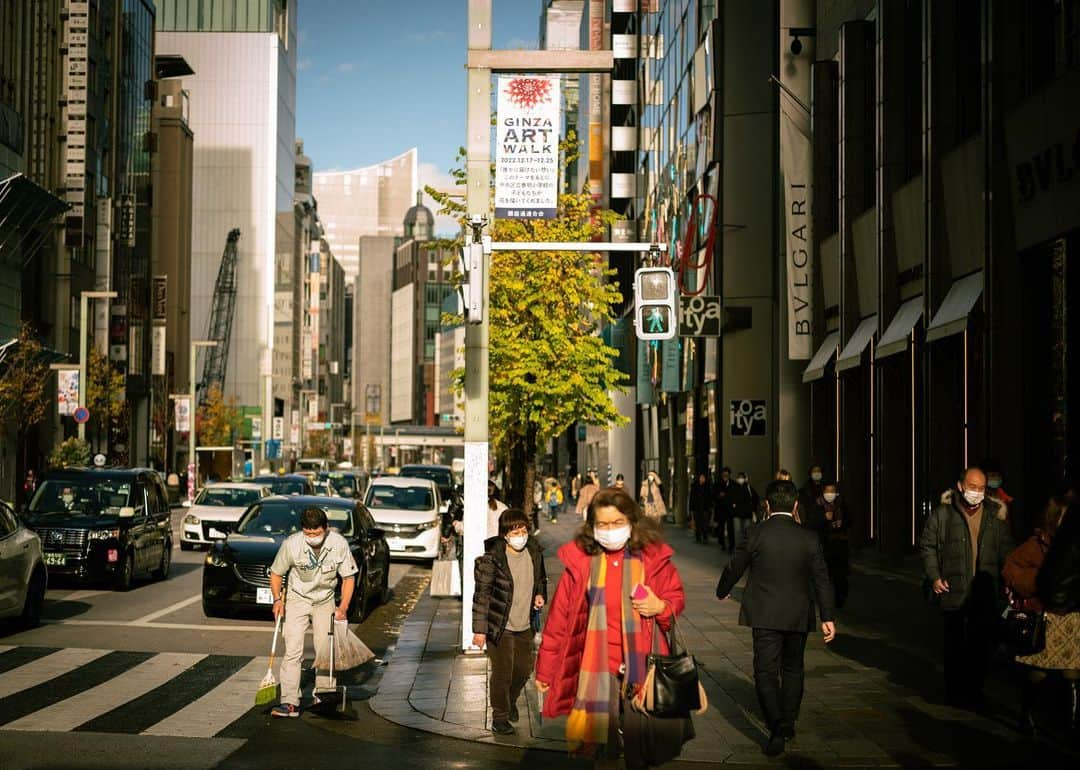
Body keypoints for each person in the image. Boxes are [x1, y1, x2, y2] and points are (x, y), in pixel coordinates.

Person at [536, 488, 690, 769]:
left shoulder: (652, 559)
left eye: (617, 523)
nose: (610, 531)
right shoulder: (581, 563)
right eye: (602, 525)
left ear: (632, 522)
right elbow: (558, 620)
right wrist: (545, 670)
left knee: (639, 748)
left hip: (642, 669)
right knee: (602, 751)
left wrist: (660, 607)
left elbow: (674, 599)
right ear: (592, 526)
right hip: (597, 669)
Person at [715, 480, 836, 757]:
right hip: (798, 613)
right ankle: (789, 720)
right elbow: (822, 580)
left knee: (765, 671)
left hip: (764, 613)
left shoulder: (755, 533)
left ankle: (777, 723)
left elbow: (735, 565)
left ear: (767, 505)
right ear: (795, 505)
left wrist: (723, 590)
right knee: (793, 668)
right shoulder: (809, 538)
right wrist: (827, 616)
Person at [919, 466, 1013, 709]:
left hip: (984, 593)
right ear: (960, 486)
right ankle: (954, 691)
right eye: (973, 487)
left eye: (981, 488)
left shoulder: (995, 516)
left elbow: (1006, 552)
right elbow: (928, 546)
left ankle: (975, 690)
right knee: (954, 646)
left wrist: (1009, 583)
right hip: (953, 591)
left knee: (981, 646)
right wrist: (934, 576)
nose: (977, 492)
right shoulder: (943, 514)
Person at [268, 507, 358, 717]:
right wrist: (277, 600)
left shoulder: (339, 544)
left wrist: (343, 607)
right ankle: (289, 701)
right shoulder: (292, 544)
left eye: (316, 534)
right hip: (298, 598)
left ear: (325, 529)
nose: (312, 538)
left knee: (325, 650)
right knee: (293, 649)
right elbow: (276, 573)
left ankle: (324, 696)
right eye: (308, 534)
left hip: (325, 599)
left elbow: (348, 578)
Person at [1002, 498, 1077, 737]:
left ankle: (1072, 725)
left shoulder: (1074, 545)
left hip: (1072, 618)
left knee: (1072, 672)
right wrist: (1038, 581)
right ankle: (1028, 716)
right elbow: (1010, 569)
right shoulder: (1039, 543)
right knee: (1038, 672)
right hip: (1044, 617)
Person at [472, 508, 548, 734]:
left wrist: (540, 595)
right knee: (503, 672)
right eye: (515, 532)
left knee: (524, 670)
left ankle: (509, 701)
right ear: (504, 534)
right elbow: (482, 596)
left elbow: (540, 580)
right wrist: (479, 630)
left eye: (523, 531)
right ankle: (500, 716)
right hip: (500, 625)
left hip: (525, 624)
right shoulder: (492, 560)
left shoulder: (534, 552)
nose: (520, 536)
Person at [815, 482, 850, 608]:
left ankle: (839, 599)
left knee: (840, 576)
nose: (830, 494)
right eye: (827, 491)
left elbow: (849, 519)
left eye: (832, 491)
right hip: (825, 545)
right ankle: (826, 600)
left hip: (840, 544)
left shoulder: (841, 505)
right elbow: (814, 524)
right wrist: (825, 519)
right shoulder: (818, 505)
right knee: (825, 575)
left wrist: (841, 523)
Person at [727, 472, 758, 552]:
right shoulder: (734, 487)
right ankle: (738, 550)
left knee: (746, 532)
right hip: (737, 514)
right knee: (737, 533)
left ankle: (745, 549)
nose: (740, 479)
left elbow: (755, 498)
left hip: (747, 514)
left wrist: (753, 510)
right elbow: (729, 499)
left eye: (742, 477)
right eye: (739, 477)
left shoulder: (748, 488)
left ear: (745, 478)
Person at [714, 467, 733, 549]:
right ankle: (722, 543)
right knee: (721, 527)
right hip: (720, 508)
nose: (725, 476)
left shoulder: (732, 484)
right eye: (724, 474)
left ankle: (731, 544)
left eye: (727, 474)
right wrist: (719, 496)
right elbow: (714, 495)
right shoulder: (718, 484)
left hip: (729, 509)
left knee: (730, 527)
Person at [689, 473, 712, 544]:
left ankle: (705, 537)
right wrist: (691, 508)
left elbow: (710, 497)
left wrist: (710, 506)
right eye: (701, 477)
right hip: (696, 507)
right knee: (697, 523)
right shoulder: (694, 486)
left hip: (705, 508)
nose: (702, 479)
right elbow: (692, 498)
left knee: (705, 523)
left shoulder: (708, 486)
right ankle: (698, 538)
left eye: (703, 477)